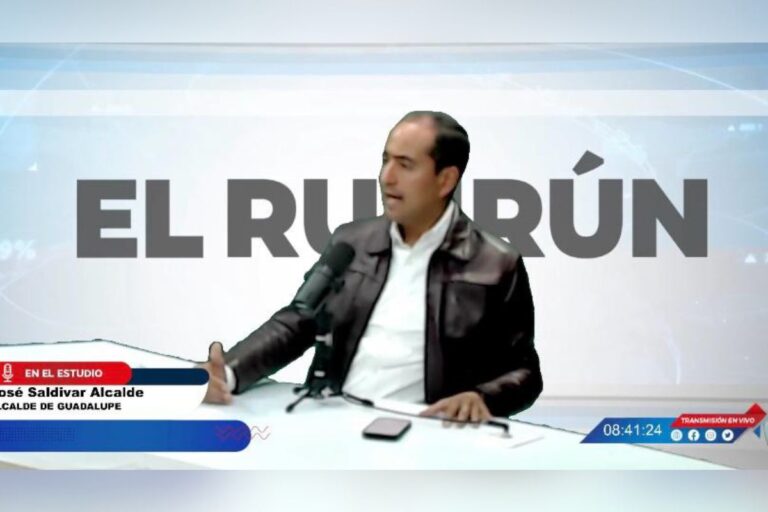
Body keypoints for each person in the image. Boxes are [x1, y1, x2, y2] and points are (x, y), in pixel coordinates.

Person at [201, 111, 542, 422]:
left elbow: (525, 374)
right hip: (333, 417)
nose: (386, 177)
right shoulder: (352, 242)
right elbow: (297, 322)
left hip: (427, 431)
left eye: (405, 165)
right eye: (385, 160)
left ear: (445, 180)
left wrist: (481, 398)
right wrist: (227, 372)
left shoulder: (496, 264)